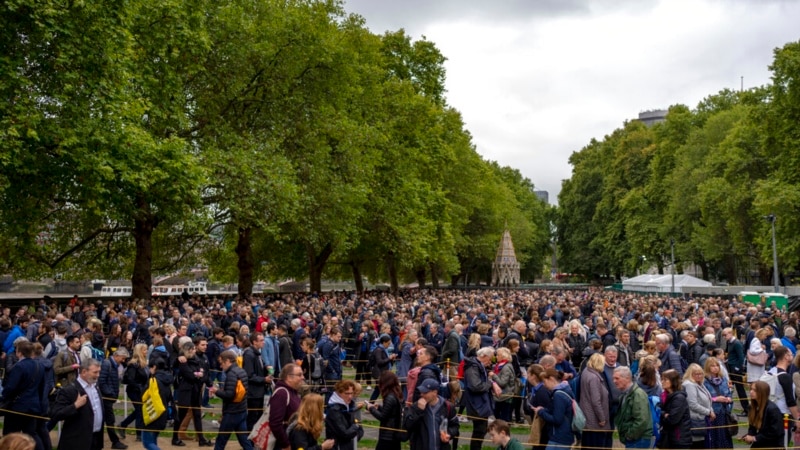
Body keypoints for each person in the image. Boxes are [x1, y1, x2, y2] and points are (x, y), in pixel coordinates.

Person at [0, 340, 49, 450]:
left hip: (17, 407)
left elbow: (10, 387)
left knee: (10, 435)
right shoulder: (39, 366)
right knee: (32, 434)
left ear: (19, 352)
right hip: (33, 406)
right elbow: (42, 388)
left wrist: (3, 397)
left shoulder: (19, 366)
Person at [49, 359, 105, 450]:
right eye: (95, 372)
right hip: (76, 442)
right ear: (84, 372)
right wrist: (75, 405)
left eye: (99, 372)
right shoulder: (69, 390)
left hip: (95, 439)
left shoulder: (95, 386)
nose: (98, 375)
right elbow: (56, 414)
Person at [208, 350, 253, 450]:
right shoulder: (241, 370)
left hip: (232, 412)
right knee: (244, 441)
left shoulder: (231, 374)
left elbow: (229, 395)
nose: (220, 366)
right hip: (242, 410)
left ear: (227, 361)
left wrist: (216, 391)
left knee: (221, 441)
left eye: (221, 363)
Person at [174, 341, 213, 446]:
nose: (194, 351)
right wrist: (197, 374)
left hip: (195, 390)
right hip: (186, 391)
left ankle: (201, 439)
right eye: (192, 349)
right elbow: (189, 375)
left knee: (197, 415)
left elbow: (203, 373)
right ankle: (175, 437)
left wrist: (201, 377)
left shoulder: (197, 360)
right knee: (181, 415)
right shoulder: (183, 361)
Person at [403, 378, 458, 450]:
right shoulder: (416, 406)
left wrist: (449, 434)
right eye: (421, 392)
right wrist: (419, 411)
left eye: (425, 392)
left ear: (435, 392)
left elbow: (455, 426)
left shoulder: (448, 406)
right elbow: (408, 426)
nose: (421, 394)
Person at [463, 347, 501, 450]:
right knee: (479, 431)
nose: (490, 362)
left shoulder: (479, 366)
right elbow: (475, 386)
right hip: (476, 404)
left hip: (481, 403)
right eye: (489, 359)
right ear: (483, 356)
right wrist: (490, 383)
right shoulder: (472, 367)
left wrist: (491, 383)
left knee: (482, 430)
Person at [532, 368, 576, 450]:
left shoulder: (558, 395)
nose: (544, 385)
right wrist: (545, 410)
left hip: (559, 437)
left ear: (551, 379)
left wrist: (540, 412)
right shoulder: (566, 390)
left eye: (544, 382)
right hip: (564, 435)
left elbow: (557, 419)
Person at [613, 366, 653, 448]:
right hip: (634, 439)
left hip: (638, 439)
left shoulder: (638, 394)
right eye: (614, 378)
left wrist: (630, 435)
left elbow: (641, 420)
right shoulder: (626, 394)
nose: (614, 381)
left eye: (617, 378)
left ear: (627, 378)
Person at [264, 363, 303, 450]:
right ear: (289, 377)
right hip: (282, 444)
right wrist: (285, 444)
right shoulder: (281, 394)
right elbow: (275, 423)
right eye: (299, 375)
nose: (303, 377)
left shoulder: (293, 391)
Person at [98, 348, 129, 449]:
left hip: (109, 397)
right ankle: (114, 442)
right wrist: (109, 393)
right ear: (116, 356)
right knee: (109, 420)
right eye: (122, 358)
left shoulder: (114, 365)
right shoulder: (107, 364)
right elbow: (101, 381)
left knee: (105, 420)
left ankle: (101, 442)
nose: (123, 361)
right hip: (106, 397)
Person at [578, 353, 611, 449]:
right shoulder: (593, 378)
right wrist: (602, 418)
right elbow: (596, 401)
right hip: (594, 421)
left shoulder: (586, 372)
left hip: (588, 416)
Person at [140, 358, 173, 450]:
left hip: (152, 413)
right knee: (153, 440)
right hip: (163, 412)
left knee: (147, 443)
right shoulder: (167, 380)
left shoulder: (153, 380)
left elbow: (143, 396)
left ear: (154, 367)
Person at [366, 371, 404, 450]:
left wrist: (371, 408)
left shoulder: (389, 397)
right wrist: (379, 407)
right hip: (394, 434)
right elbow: (391, 412)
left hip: (388, 436)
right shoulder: (396, 394)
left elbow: (383, 417)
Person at [702, 357, 734, 449]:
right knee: (714, 435)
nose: (715, 368)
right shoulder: (704, 381)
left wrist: (728, 398)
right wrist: (716, 399)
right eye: (712, 366)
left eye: (717, 365)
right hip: (712, 413)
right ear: (708, 367)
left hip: (724, 412)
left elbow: (728, 392)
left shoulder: (723, 379)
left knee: (725, 434)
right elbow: (703, 398)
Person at [742, 380, 784, 449]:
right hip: (760, 442)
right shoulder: (752, 407)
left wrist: (754, 438)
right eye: (751, 389)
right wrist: (749, 435)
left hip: (773, 445)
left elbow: (775, 432)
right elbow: (752, 426)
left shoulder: (772, 409)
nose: (751, 392)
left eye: (755, 390)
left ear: (762, 392)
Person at [243, 332, 271, 430]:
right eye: (261, 340)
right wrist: (264, 379)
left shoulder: (258, 353)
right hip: (252, 392)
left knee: (259, 416)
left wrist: (266, 369)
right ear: (254, 342)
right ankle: (248, 442)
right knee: (252, 417)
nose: (264, 342)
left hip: (259, 391)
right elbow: (249, 375)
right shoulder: (249, 354)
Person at [120, 343, 148, 441]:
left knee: (139, 410)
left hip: (142, 391)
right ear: (140, 351)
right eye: (144, 350)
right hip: (134, 391)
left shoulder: (144, 363)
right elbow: (131, 379)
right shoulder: (133, 364)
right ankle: (139, 434)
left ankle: (123, 425)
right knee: (140, 410)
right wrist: (139, 387)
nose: (146, 351)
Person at [325, 379, 364, 450]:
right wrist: (356, 426)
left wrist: (356, 433)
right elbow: (344, 434)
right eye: (347, 393)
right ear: (339, 393)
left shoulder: (349, 405)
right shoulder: (334, 410)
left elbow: (360, 430)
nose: (350, 396)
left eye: (351, 393)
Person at [682, 363, 714, 449]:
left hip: (703, 419)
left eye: (701, 374)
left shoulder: (699, 383)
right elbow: (692, 404)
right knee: (697, 445)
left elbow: (708, 399)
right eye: (696, 374)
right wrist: (708, 412)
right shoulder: (689, 385)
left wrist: (711, 410)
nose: (699, 376)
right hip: (695, 420)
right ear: (690, 374)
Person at [659, 369, 692, 449]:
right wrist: (664, 414)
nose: (662, 382)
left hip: (679, 439)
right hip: (670, 437)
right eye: (662, 379)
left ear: (673, 381)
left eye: (665, 380)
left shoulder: (679, 398)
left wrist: (663, 415)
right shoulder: (665, 396)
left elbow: (672, 420)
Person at [722, 327, 749, 417]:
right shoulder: (729, 342)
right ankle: (727, 408)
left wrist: (737, 368)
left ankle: (747, 409)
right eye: (723, 335)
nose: (724, 337)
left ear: (730, 333)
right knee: (729, 388)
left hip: (735, 369)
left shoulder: (737, 343)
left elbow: (741, 357)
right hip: (730, 366)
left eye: (725, 335)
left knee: (740, 389)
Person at [492, 347, 516, 422]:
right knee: (497, 414)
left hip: (505, 396)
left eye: (498, 355)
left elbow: (503, 383)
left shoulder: (506, 367)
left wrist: (493, 375)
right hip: (500, 395)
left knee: (504, 417)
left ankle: (504, 432)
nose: (496, 357)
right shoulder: (499, 365)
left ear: (503, 356)